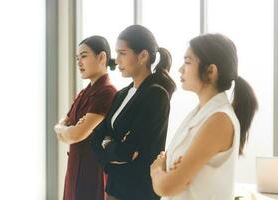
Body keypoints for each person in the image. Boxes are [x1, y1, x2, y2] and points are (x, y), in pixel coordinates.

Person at [150, 33, 258, 200]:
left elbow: (168, 186)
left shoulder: (219, 119)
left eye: (187, 62)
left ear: (211, 71)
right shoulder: (201, 113)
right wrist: (171, 172)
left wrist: (156, 170)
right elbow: (172, 177)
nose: (180, 69)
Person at [90, 25, 176, 200]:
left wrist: (108, 143)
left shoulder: (156, 94)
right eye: (117, 53)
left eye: (122, 53)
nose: (117, 59)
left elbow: (128, 149)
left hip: (138, 191)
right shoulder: (121, 94)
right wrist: (112, 146)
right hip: (114, 187)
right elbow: (95, 138)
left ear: (143, 56)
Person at [54, 35, 117, 200]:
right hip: (75, 167)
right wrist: (65, 128)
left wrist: (67, 130)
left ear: (101, 57)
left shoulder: (107, 92)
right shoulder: (84, 93)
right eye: (77, 58)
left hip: (92, 170)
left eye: (83, 56)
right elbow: (65, 125)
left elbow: (76, 134)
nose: (79, 62)